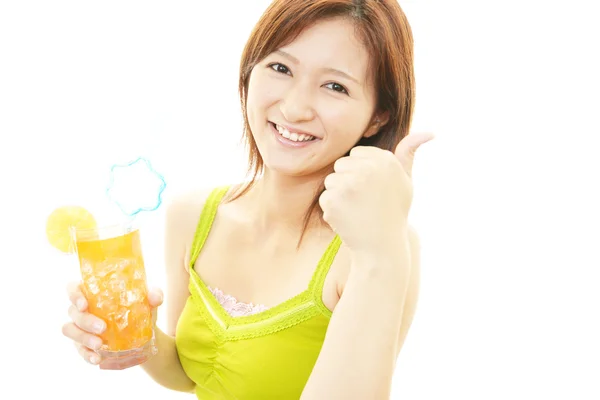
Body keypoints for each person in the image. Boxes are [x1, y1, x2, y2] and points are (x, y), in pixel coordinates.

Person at [62, 0, 434, 398]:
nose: (294, 108)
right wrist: (137, 336)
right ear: (249, 71)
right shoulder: (192, 215)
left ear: (378, 117)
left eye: (335, 86)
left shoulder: (379, 248)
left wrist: (381, 251)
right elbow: (190, 375)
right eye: (280, 68)